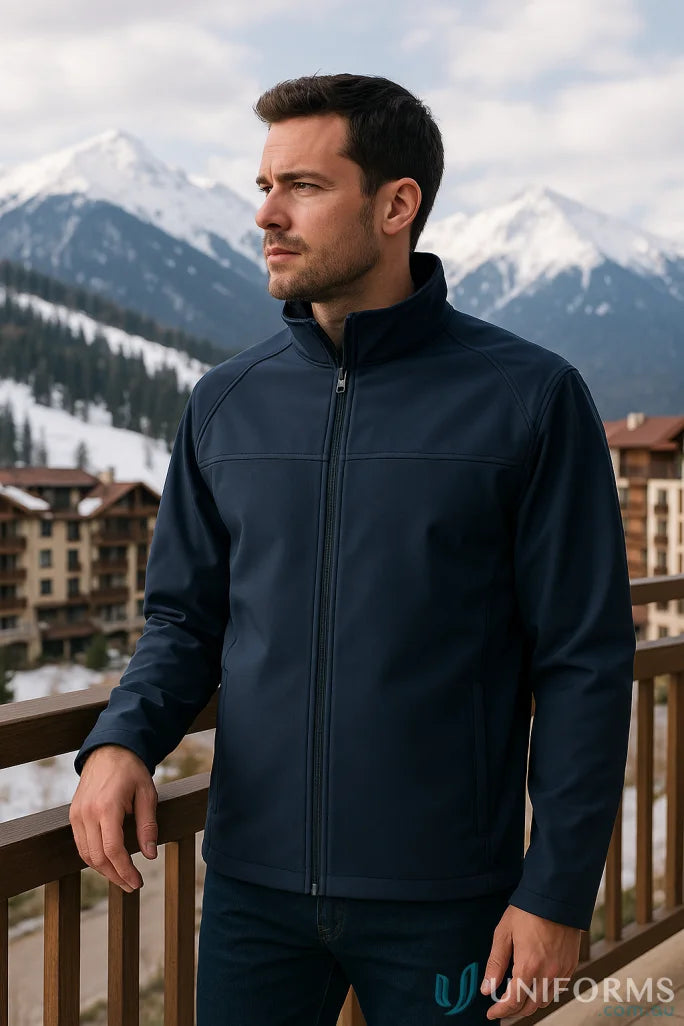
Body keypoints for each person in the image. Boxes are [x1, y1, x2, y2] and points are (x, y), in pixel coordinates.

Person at [69, 73, 636, 1025]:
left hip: (449, 897)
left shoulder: (530, 398)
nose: (267, 216)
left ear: (395, 205)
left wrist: (557, 892)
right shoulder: (224, 403)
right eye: (262, 187)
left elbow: (585, 658)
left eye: (302, 186)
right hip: (252, 890)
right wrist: (122, 738)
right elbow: (184, 616)